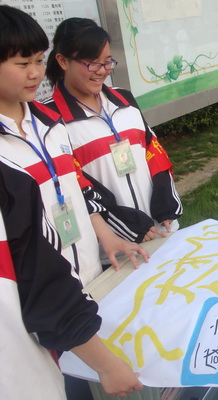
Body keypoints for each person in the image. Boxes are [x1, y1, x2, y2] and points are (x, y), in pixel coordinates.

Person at [0, 155, 143, 399]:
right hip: (25, 372)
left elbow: (81, 187)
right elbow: (43, 283)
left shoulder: (10, 178)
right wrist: (107, 366)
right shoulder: (9, 178)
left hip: (88, 293)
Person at [45, 18, 183, 246]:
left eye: (107, 62)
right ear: (63, 61)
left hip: (163, 229)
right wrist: (125, 225)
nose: (102, 71)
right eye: (92, 63)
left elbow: (153, 148)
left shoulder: (124, 99)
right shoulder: (49, 120)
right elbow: (75, 185)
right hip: (116, 247)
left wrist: (167, 203)